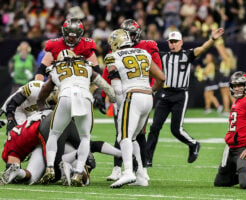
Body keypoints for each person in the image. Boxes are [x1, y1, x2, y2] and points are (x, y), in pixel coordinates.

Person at [146, 28, 224, 167]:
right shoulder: (163, 56)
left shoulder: (187, 55)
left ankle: (194, 144)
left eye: (176, 42)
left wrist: (212, 39)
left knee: (176, 130)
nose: (173, 44)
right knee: (154, 127)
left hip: (180, 95)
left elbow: (203, 48)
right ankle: (147, 158)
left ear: (181, 42)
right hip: (164, 94)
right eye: (171, 42)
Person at [37, 49, 116, 186]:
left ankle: (50, 167)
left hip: (65, 96)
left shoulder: (56, 67)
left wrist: (40, 103)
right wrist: (113, 97)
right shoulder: (86, 65)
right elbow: (101, 83)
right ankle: (78, 173)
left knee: (54, 134)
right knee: (85, 137)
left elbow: (45, 88)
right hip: (84, 96)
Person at [104, 19, 163, 182]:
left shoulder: (112, 57)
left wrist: (119, 103)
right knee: (136, 136)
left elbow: (116, 87)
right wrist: (151, 91)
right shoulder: (144, 53)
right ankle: (142, 175)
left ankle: (128, 171)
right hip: (147, 96)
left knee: (123, 136)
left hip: (130, 96)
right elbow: (162, 77)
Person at [0, 111, 122, 186]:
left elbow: (12, 160)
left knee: (47, 175)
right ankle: (71, 164)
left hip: (47, 130)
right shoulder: (19, 130)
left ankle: (20, 172)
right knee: (88, 144)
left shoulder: (11, 150)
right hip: (55, 120)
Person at [34, 18, 101, 81]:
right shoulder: (55, 45)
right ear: (64, 33)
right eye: (69, 36)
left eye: (74, 37)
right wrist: (38, 83)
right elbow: (41, 70)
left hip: (82, 81)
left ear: (80, 35)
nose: (71, 39)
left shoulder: (86, 45)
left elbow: (97, 70)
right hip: (58, 83)